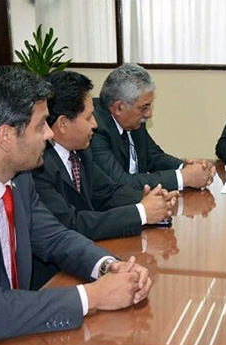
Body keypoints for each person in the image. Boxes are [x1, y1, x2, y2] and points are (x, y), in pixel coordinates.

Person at [0, 65, 152, 345]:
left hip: (18, 329)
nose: (50, 134)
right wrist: (95, 296)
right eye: (40, 125)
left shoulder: (18, 177)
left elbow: (54, 237)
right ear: (5, 136)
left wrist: (108, 267)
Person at [30, 70, 178, 288]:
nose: (95, 125)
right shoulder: (37, 165)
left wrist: (151, 200)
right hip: (54, 278)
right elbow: (72, 224)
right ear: (62, 124)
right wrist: (141, 212)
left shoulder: (79, 150)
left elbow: (108, 191)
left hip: (87, 260)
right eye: (89, 117)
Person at [91, 63, 215, 192]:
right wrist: (183, 177)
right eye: (144, 107)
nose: (149, 114)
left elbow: (153, 157)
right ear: (119, 107)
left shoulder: (133, 121)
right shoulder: (95, 127)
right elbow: (119, 182)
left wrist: (185, 167)